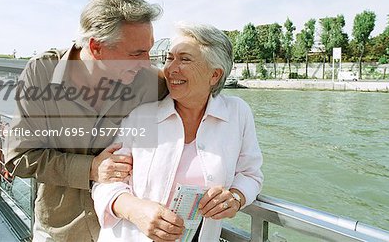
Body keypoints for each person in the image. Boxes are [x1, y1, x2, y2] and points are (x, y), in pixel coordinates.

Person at [4, 0, 168, 241]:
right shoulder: (41, 73)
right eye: (136, 54)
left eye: (148, 51)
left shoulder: (150, 81)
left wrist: (237, 189)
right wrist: (90, 169)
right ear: (96, 47)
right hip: (61, 230)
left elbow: (199, 98)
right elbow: (20, 156)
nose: (147, 63)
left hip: (125, 230)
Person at [92, 24, 263, 241]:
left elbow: (251, 174)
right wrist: (135, 210)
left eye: (184, 59)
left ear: (215, 75)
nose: (170, 69)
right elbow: (105, 183)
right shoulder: (141, 116)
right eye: (169, 58)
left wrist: (236, 198)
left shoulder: (238, 113)